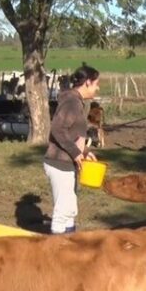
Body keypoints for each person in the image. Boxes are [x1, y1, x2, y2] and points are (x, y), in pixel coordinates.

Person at [43, 63, 100, 234]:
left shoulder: (76, 102)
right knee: (62, 212)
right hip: (59, 162)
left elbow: (72, 135)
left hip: (67, 162)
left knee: (70, 210)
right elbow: (58, 129)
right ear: (88, 83)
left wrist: (84, 152)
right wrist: (76, 153)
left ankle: (69, 250)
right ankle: (57, 256)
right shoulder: (72, 102)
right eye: (97, 83)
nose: (98, 87)